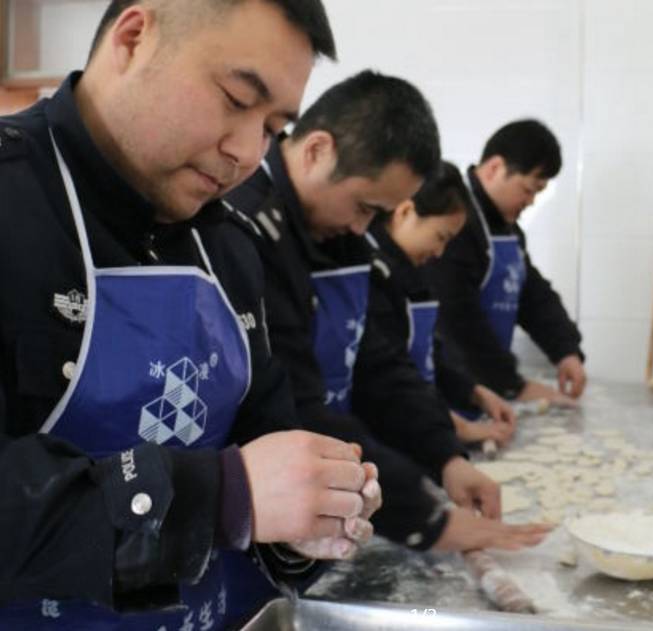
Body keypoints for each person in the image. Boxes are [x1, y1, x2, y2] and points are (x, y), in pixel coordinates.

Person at [0, 1, 381, 628]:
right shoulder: (15, 203)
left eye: (272, 127)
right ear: (133, 38)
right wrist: (225, 496)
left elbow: (265, 434)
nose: (247, 153)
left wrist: (306, 516)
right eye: (235, 99)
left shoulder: (228, 246)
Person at [226, 72, 551, 553]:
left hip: (333, 487)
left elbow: (377, 364)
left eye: (376, 213)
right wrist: (426, 519)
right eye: (362, 206)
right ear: (317, 151)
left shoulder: (344, 232)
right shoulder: (246, 230)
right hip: (259, 512)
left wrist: (445, 457)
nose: (364, 226)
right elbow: (296, 405)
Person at [429, 119, 587, 404]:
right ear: (494, 169)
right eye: (528, 190)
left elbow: (532, 295)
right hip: (456, 391)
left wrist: (566, 351)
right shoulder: (457, 220)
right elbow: (458, 320)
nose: (531, 201)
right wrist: (513, 385)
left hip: (492, 389)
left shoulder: (507, 227)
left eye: (538, 193)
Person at [366, 161, 516, 446]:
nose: (440, 251)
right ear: (406, 211)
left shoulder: (416, 269)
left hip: (422, 426)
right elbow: (389, 380)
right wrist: (456, 427)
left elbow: (428, 351)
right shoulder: (372, 274)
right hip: (388, 436)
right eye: (440, 237)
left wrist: (475, 392)